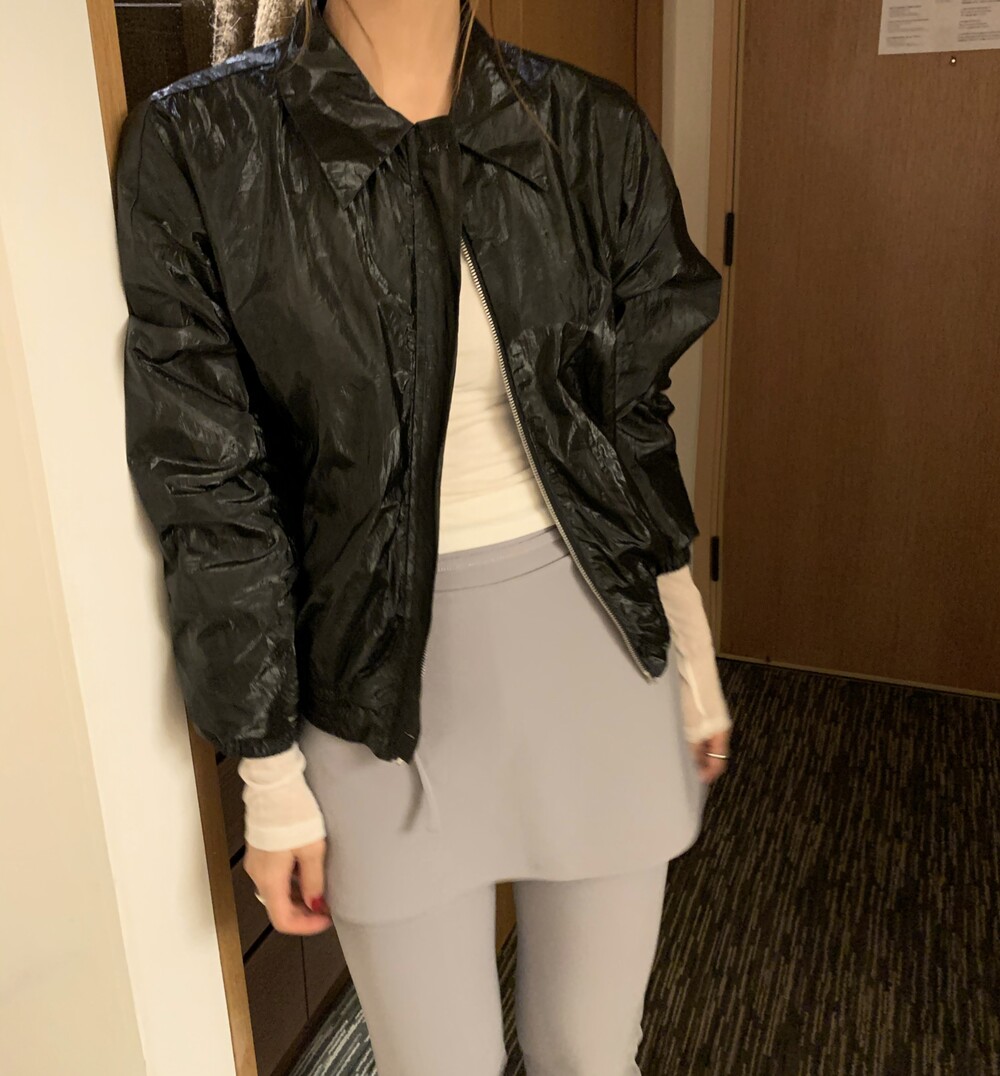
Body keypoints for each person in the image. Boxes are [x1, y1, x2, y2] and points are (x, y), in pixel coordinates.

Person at [113, 0, 732, 1071]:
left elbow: (630, 422)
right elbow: (211, 481)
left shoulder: (586, 125)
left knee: (591, 1052)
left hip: (594, 653)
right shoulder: (204, 143)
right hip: (370, 687)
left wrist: (691, 647)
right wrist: (267, 770)